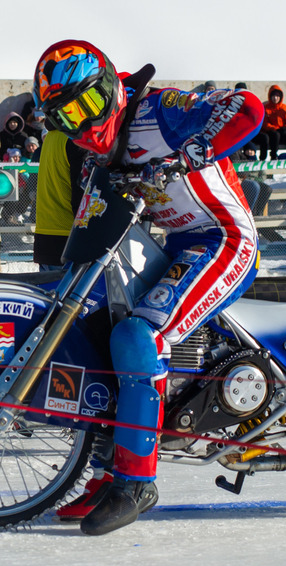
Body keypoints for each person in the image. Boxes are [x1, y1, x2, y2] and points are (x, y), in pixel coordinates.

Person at [32, 40, 263, 535]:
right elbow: (90, 230)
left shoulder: (158, 112)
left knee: (139, 338)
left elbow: (247, 107)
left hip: (224, 239)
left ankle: (138, 482)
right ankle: (106, 473)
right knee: (100, 332)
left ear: (112, 89)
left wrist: (200, 147)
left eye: (88, 106)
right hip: (179, 246)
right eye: (66, 117)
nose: (83, 124)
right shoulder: (93, 156)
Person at [32, 129, 86, 271]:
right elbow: (81, 194)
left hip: (46, 238)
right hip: (70, 240)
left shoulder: (52, 136)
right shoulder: (76, 138)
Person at [258, 85, 286, 160]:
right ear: (270, 96)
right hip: (271, 132)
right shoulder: (265, 108)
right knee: (276, 135)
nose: (275, 98)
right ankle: (273, 156)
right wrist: (275, 128)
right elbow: (264, 124)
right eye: (273, 96)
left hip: (283, 131)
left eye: (277, 96)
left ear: (281, 97)